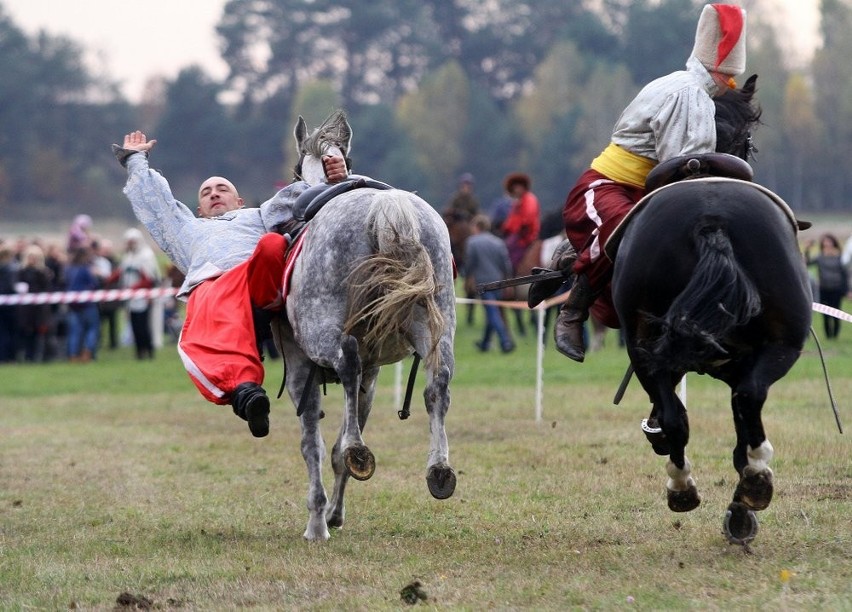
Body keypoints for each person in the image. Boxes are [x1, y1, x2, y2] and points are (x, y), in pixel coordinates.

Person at [113, 130, 348, 437]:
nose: (214, 193)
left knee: (273, 244)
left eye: (221, 188)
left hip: (262, 284)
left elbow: (300, 196)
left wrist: (333, 177)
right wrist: (135, 160)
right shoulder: (186, 229)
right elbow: (156, 203)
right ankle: (248, 396)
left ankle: (335, 344)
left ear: (238, 201)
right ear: (198, 210)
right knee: (209, 303)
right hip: (216, 290)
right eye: (206, 191)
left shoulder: (260, 215)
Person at [550, 3, 748, 362]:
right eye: (729, 77)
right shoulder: (684, 93)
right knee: (621, 229)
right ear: (717, 71)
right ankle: (572, 311)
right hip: (605, 188)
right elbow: (680, 167)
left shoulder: (702, 97)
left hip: (647, 194)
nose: (731, 85)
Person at [464, 214, 515, 353]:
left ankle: (505, 341)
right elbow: (506, 264)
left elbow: (470, 263)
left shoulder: (472, 242)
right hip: (499, 282)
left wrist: (467, 278)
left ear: (477, 227)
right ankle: (485, 343)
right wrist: (508, 280)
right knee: (492, 312)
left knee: (492, 312)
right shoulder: (498, 242)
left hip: (484, 284)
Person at [115, 228, 162, 359]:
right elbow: (121, 273)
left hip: (143, 298)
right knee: (134, 325)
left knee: (144, 325)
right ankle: (139, 351)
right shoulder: (128, 256)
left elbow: (149, 278)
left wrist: (133, 288)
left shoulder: (146, 255)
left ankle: (149, 350)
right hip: (131, 298)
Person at [15, 243, 54, 362]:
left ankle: (42, 357)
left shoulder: (44, 272)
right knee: (27, 333)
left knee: (41, 333)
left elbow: (47, 288)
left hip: (40, 309)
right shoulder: (21, 271)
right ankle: (28, 356)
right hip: (26, 309)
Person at [806, 233, 848, 339]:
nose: (827, 243)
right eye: (825, 241)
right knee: (825, 313)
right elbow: (807, 263)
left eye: (829, 241)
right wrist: (807, 249)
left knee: (836, 311)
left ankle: (835, 335)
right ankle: (828, 335)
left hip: (836, 288)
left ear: (833, 243)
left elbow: (845, 274)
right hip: (824, 288)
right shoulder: (820, 257)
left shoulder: (840, 257)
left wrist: (847, 289)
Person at [65, 246, 101, 362]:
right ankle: (87, 352)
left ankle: (73, 355)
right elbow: (94, 284)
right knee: (92, 328)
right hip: (87, 303)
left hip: (73, 304)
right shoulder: (86, 269)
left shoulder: (69, 269)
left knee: (75, 331)